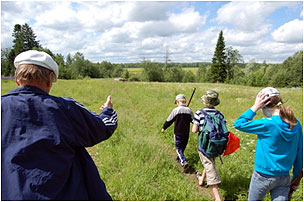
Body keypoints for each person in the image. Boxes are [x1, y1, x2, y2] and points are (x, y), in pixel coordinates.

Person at [1, 50, 118, 200]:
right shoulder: (65, 107)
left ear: (17, 80)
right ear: (50, 80)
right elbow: (102, 128)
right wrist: (108, 110)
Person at [233, 87, 303, 201]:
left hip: (262, 176)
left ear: (264, 105)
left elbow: (238, 124)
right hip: (284, 176)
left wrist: (255, 107)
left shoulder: (267, 124)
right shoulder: (296, 123)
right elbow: (300, 152)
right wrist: (296, 178)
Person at [192, 90, 225, 201]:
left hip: (205, 144)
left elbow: (194, 130)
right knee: (210, 161)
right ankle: (201, 181)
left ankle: (217, 198)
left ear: (205, 101)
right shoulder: (219, 114)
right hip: (217, 144)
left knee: (210, 166)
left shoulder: (199, 113)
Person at [161, 94, 193, 170]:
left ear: (178, 101)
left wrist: (164, 128)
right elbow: (193, 121)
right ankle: (179, 159)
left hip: (178, 132)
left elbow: (169, 120)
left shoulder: (175, 110)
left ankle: (183, 162)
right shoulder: (189, 110)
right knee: (183, 147)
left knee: (178, 148)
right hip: (186, 133)